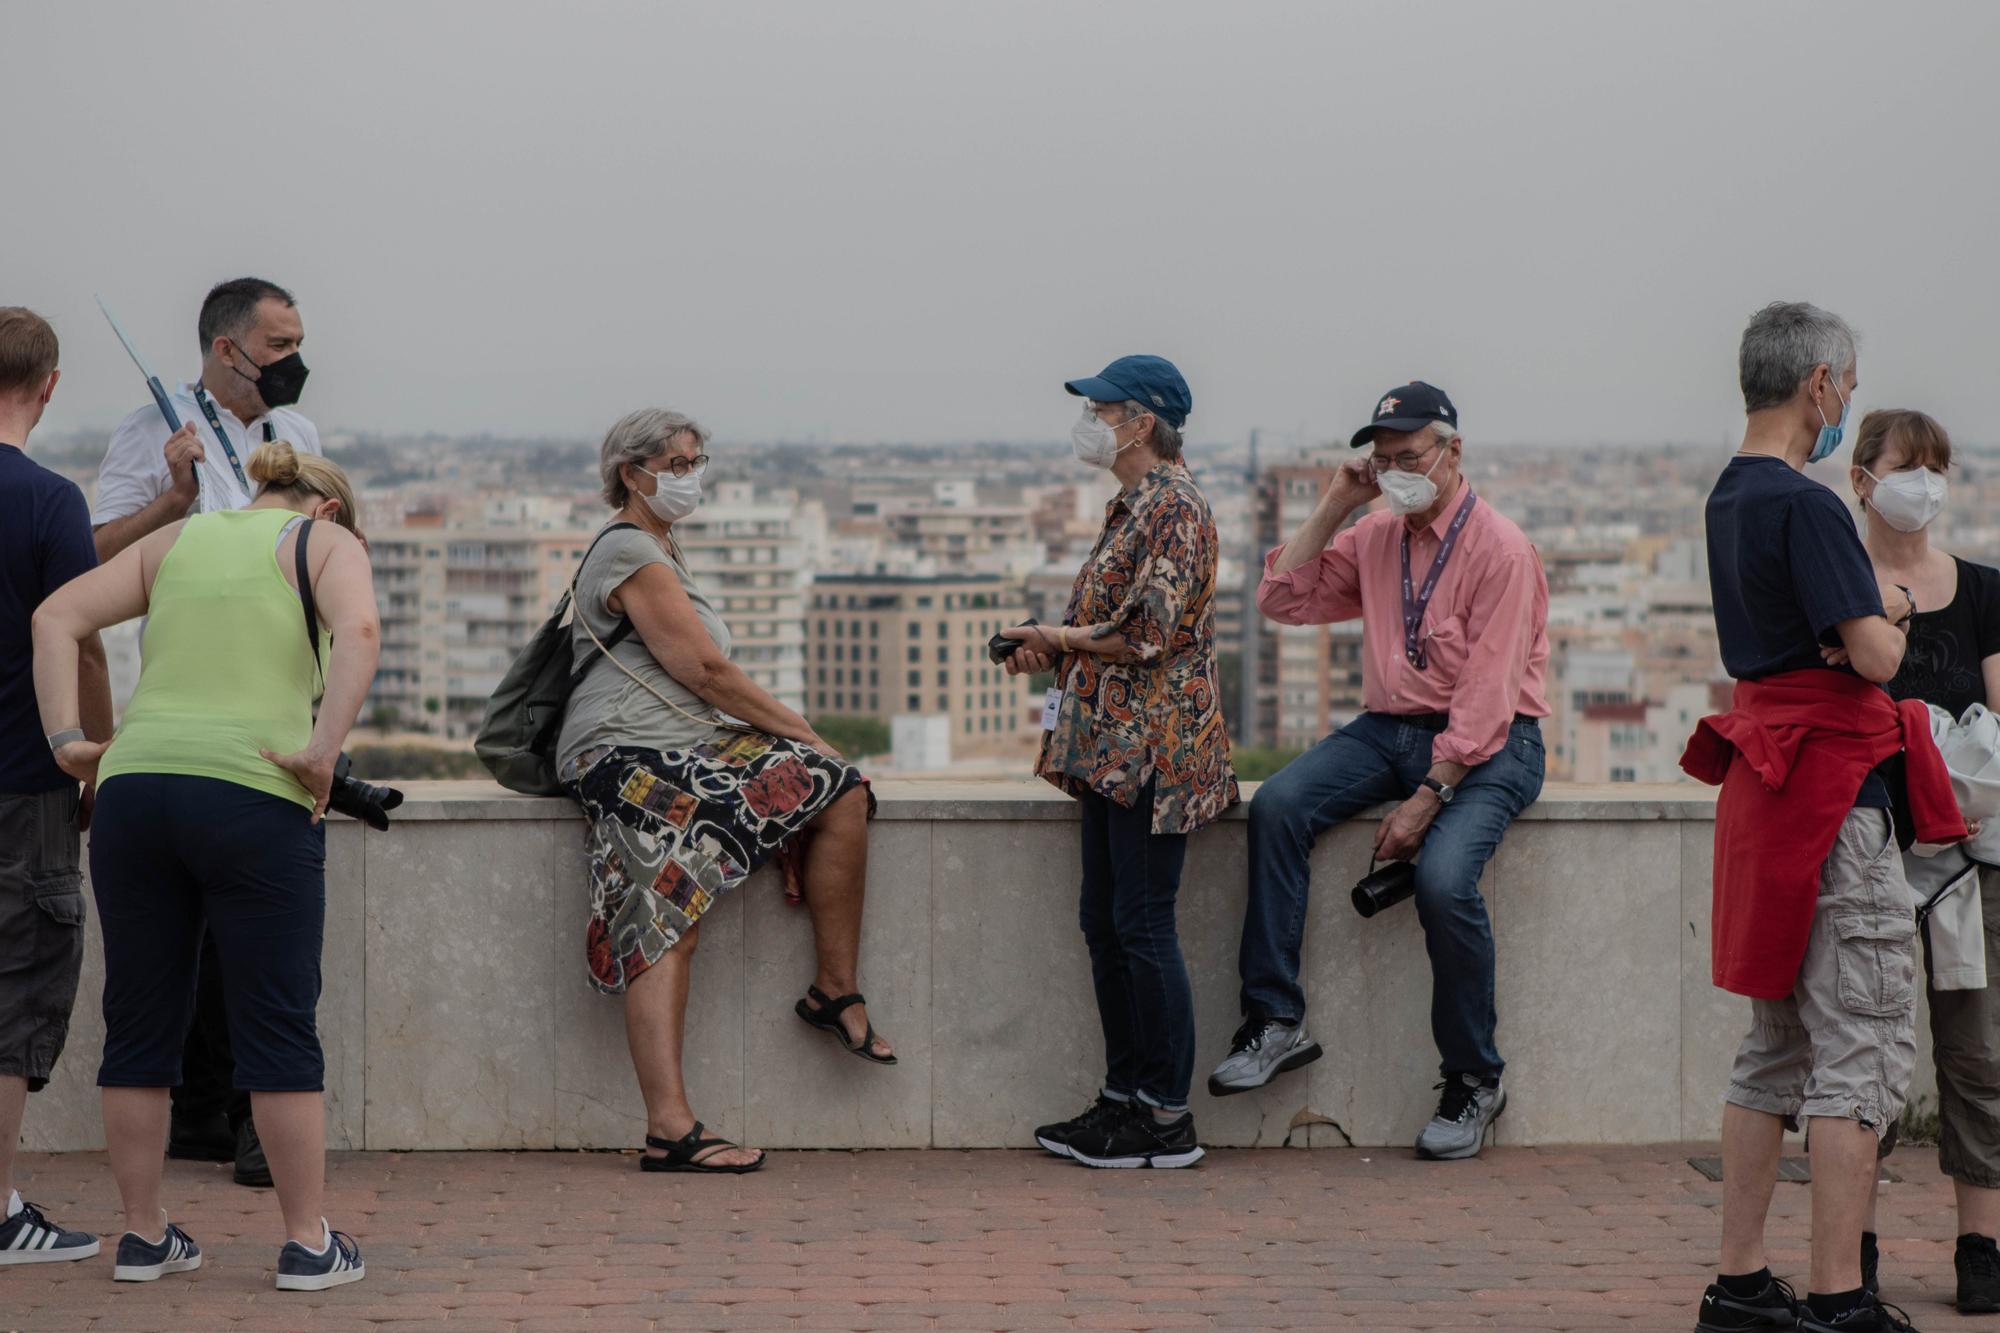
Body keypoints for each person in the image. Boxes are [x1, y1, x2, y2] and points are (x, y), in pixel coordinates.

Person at [33, 441, 377, 1290]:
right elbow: (361, 629)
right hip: (254, 791)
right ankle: (306, 1241)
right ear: (326, 508)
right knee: (277, 1022)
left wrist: (68, 741)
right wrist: (324, 753)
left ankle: (144, 1237)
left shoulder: (178, 538)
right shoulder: (325, 542)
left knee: (140, 1021)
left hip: (135, 791)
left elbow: (54, 618)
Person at [1683, 303, 1960, 1333]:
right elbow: (1877, 657)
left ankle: (1740, 1280)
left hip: (1766, 786)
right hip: (1834, 795)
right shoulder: (1803, 504)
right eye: (1844, 384)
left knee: (1773, 1044)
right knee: (1862, 1042)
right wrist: (1883, 611)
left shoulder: (1727, 495)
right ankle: (1841, 1297)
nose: (1845, 398)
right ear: (1817, 385)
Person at [1218, 380, 1548, 1163]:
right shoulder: (1377, 537)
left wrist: (1430, 796)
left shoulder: (1500, 548)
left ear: (1453, 451)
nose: (1395, 471)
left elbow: (1489, 694)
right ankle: (1275, 1020)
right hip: (1388, 729)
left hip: (1495, 743)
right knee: (1279, 805)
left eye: (1409, 457)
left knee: (1441, 878)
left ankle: (1474, 1077)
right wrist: (1336, 500)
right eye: (1383, 458)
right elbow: (1280, 597)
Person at [557, 408, 893, 1175]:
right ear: (629, 472)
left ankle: (833, 992)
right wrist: (804, 732)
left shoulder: (663, 547)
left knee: (838, 790)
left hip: (684, 749)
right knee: (664, 911)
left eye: (697, 460)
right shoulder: (630, 550)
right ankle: (668, 1127)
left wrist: (806, 767)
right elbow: (704, 671)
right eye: (675, 464)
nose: (690, 475)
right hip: (624, 754)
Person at [92, 276, 319, 1187]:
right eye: (278, 346)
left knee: (258, 924)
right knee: (196, 922)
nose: (296, 361)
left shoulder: (294, 436)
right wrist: (174, 496)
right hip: (186, 691)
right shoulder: (149, 432)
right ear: (227, 350)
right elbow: (99, 554)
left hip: (275, 685)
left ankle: (238, 1113)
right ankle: (212, 1114)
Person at [1006, 355, 1238, 1170]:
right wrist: (1053, 651)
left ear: (1141, 422)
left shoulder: (1175, 508)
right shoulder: (1136, 506)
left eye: (1101, 410)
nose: (1090, 423)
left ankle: (1165, 1115)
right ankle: (1123, 1099)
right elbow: (1117, 632)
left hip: (1152, 753)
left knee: (1139, 924)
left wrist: (1057, 636)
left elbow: (1145, 633)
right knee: (1106, 924)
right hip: (1112, 749)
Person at [1844, 408, 2000, 1315]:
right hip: (1866, 853)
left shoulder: (1982, 590)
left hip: (1972, 862)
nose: (1924, 483)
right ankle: (1852, 1241)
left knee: (1977, 1054)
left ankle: (1981, 1244)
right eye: (1908, 466)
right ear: (1862, 479)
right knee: (1864, 1060)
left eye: (1936, 466)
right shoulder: (1842, 589)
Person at [0, 308, 110, 1264]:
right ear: (51, 385)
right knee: (13, 991)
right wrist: (93, 754)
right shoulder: (48, 500)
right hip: (25, 780)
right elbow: (79, 640)